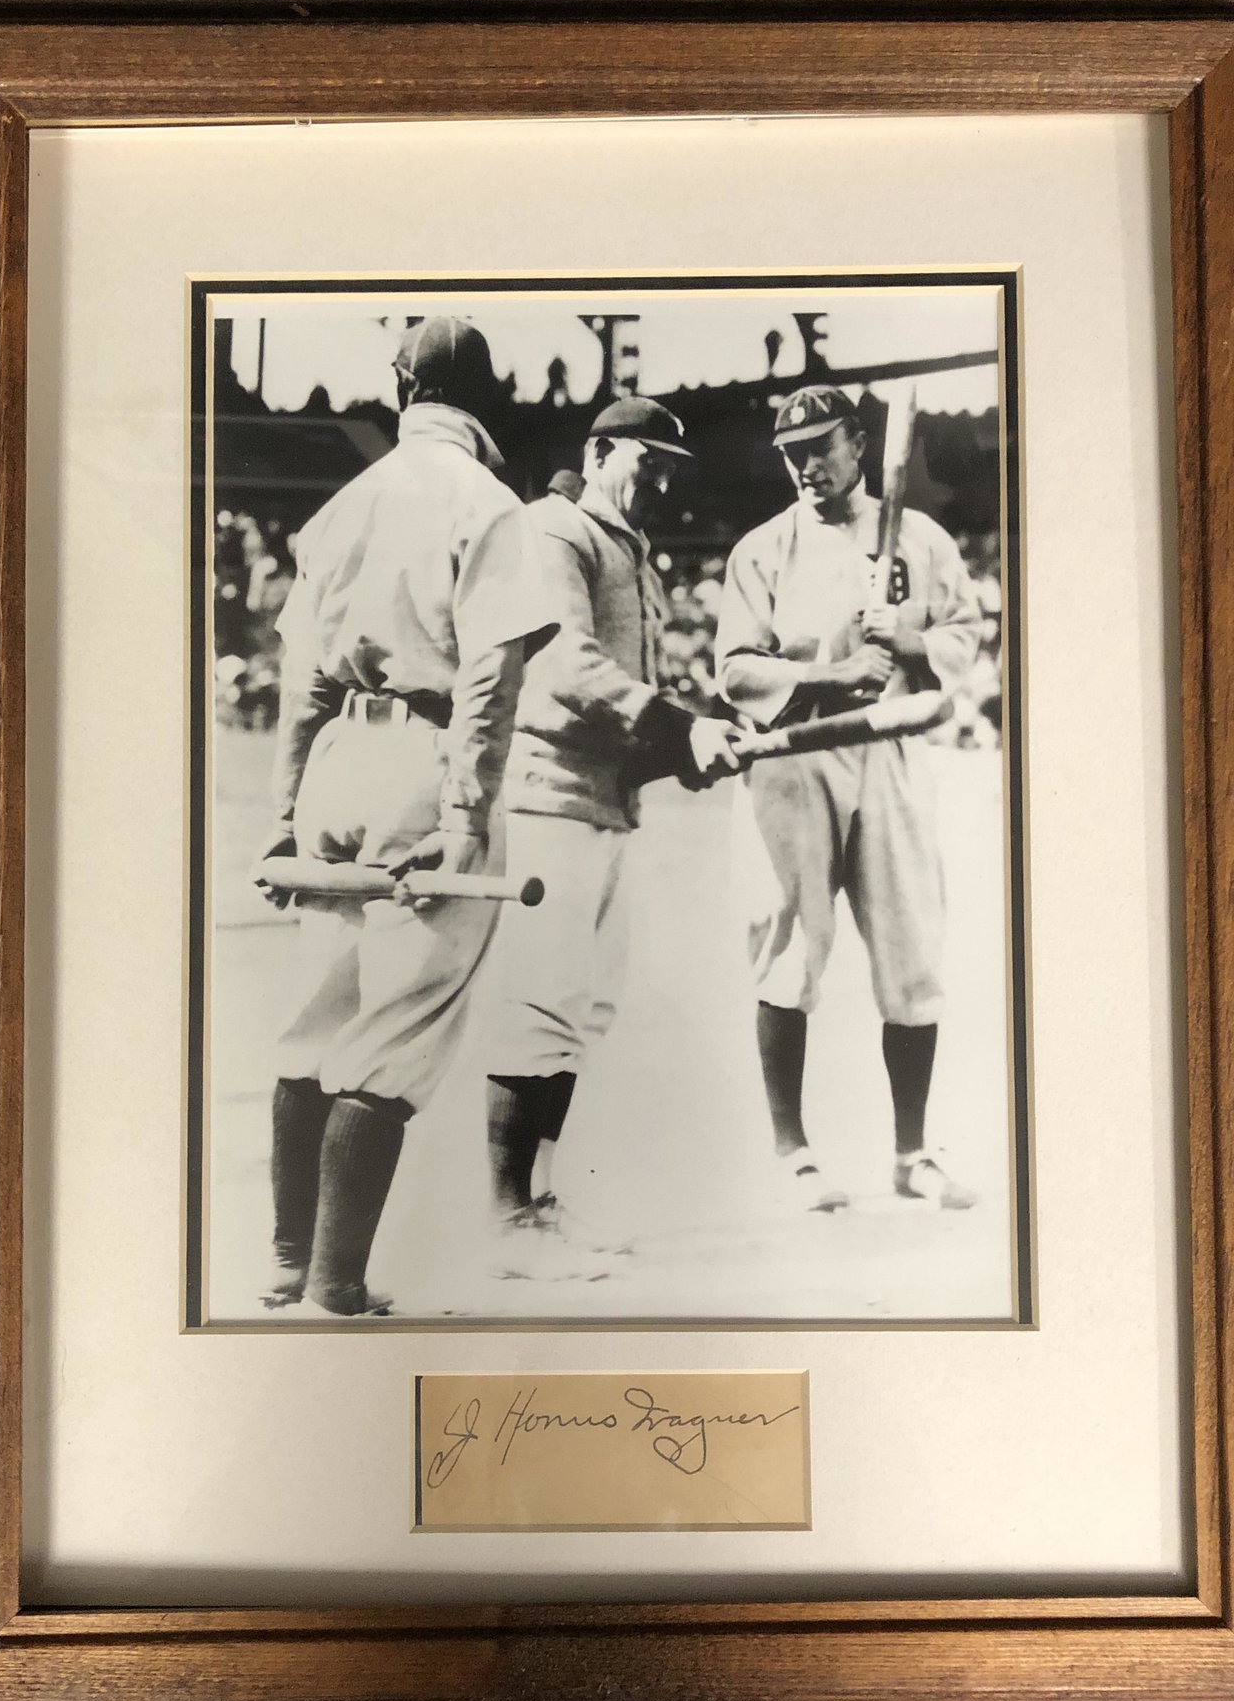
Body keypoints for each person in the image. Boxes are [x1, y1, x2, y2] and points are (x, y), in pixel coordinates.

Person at [252, 317, 555, 1316]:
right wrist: (466, 810)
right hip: (426, 760)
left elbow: (300, 678)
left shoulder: (346, 504)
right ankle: (336, 1280)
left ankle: (290, 1262)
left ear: (399, 391)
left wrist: (285, 811)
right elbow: (490, 671)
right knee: (395, 1034)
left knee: (314, 1022)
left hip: (340, 753)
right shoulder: (490, 501)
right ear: (487, 398)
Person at [483, 396, 741, 1271]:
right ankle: (506, 1219)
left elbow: (627, 713)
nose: (661, 480)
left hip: (605, 802)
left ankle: (544, 1203)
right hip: (549, 800)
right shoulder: (554, 528)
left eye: (673, 468)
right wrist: (678, 727)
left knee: (584, 1007)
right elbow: (561, 666)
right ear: (599, 452)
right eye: (647, 461)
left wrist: (682, 752)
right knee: (539, 1003)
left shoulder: (630, 547)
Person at [715, 383, 982, 1213]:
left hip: (891, 743)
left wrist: (905, 641)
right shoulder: (763, 549)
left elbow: (966, 637)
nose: (806, 466)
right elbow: (734, 670)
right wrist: (832, 672)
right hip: (796, 756)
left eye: (821, 448)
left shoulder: (925, 540)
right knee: (790, 950)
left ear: (859, 446)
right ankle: (792, 1151)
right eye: (793, 453)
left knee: (911, 951)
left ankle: (911, 1151)